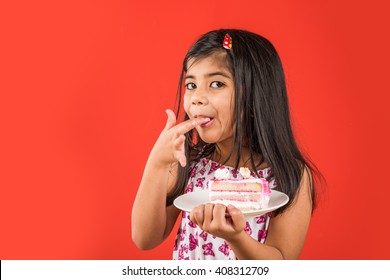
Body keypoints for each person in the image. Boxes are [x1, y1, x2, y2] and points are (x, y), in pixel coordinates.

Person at [132, 29, 319, 260]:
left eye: (217, 83)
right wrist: (157, 162)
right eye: (191, 85)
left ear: (254, 98)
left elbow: (280, 261)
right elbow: (145, 237)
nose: (197, 97)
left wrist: (235, 237)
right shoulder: (187, 162)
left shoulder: (291, 176)